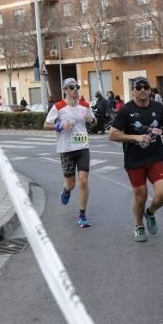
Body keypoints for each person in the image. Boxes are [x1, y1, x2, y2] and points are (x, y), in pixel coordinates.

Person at [109, 77, 163, 241]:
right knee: (141, 196)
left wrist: (161, 130)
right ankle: (139, 225)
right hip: (134, 160)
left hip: (155, 158)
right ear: (133, 91)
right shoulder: (126, 110)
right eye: (139, 87)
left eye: (146, 87)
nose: (143, 90)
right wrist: (135, 138)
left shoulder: (157, 107)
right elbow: (113, 134)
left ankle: (150, 212)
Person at [43, 78, 95, 228]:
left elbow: (94, 122)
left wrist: (92, 120)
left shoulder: (85, 105)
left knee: (84, 180)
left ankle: (82, 214)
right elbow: (46, 125)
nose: (75, 90)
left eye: (77, 87)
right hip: (66, 149)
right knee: (71, 184)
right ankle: (66, 190)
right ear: (65, 90)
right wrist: (61, 125)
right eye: (71, 87)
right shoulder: (58, 107)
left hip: (83, 147)